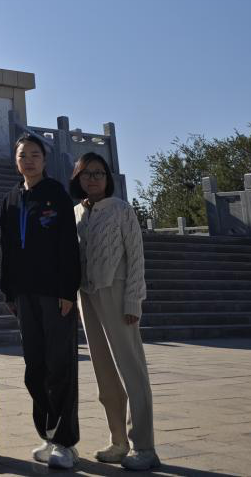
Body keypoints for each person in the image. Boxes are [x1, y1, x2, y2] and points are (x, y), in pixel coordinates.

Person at [71, 152, 159, 472]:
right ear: (77, 178)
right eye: (86, 173)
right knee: (103, 371)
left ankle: (144, 445)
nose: (93, 178)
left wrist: (134, 300)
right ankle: (118, 440)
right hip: (87, 295)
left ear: (108, 178)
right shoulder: (76, 212)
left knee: (131, 370)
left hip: (118, 292)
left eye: (99, 173)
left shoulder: (122, 210)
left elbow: (136, 257)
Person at [0, 133, 81, 470]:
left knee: (60, 364)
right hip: (24, 293)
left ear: (45, 160)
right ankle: (47, 435)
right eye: (23, 155)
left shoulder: (56, 194)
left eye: (35, 155)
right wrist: (8, 290)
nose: (29, 160)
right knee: (35, 367)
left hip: (53, 292)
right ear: (16, 160)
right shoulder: (11, 199)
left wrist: (67, 290)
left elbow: (68, 244)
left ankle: (65, 441)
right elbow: (6, 247)